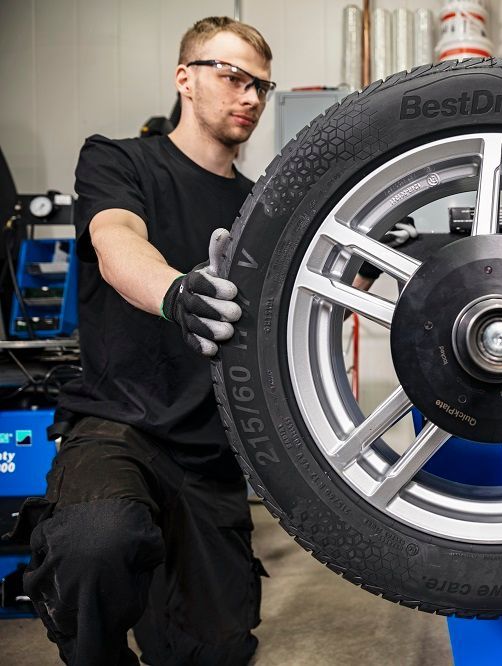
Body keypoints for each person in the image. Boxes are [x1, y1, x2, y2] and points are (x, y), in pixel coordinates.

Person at [11, 17, 275, 665]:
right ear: (184, 78)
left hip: (211, 454)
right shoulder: (119, 160)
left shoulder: (264, 206)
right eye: (234, 76)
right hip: (118, 423)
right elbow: (116, 240)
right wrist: (174, 293)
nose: (251, 97)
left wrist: (367, 252)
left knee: (211, 652)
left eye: (262, 86)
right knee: (93, 546)